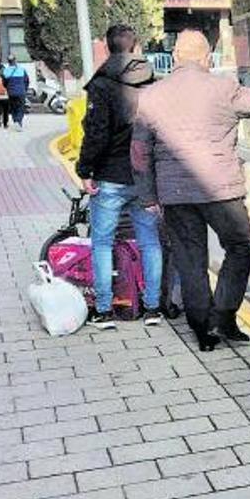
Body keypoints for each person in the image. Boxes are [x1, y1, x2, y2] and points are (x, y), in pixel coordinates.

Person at [131, 30, 250, 352]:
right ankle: (225, 316)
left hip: (175, 194)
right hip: (221, 191)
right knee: (240, 246)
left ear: (176, 57)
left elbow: (139, 152)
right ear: (206, 58)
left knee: (190, 260)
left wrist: (148, 197)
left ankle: (203, 332)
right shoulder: (224, 88)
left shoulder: (150, 96)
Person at [76, 24, 162, 330]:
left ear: (107, 48)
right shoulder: (152, 82)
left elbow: (96, 133)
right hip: (145, 177)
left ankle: (104, 310)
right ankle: (152, 308)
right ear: (135, 46)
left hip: (111, 175)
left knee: (101, 242)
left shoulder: (101, 85)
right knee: (150, 241)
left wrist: (85, 169)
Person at [2, 55, 30, 131]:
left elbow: (4, 83)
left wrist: (8, 88)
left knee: (13, 107)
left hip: (11, 93)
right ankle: (19, 122)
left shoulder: (5, 71)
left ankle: (15, 121)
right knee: (21, 107)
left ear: (8, 62)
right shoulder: (22, 69)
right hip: (21, 92)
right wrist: (25, 89)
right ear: (15, 61)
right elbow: (27, 81)